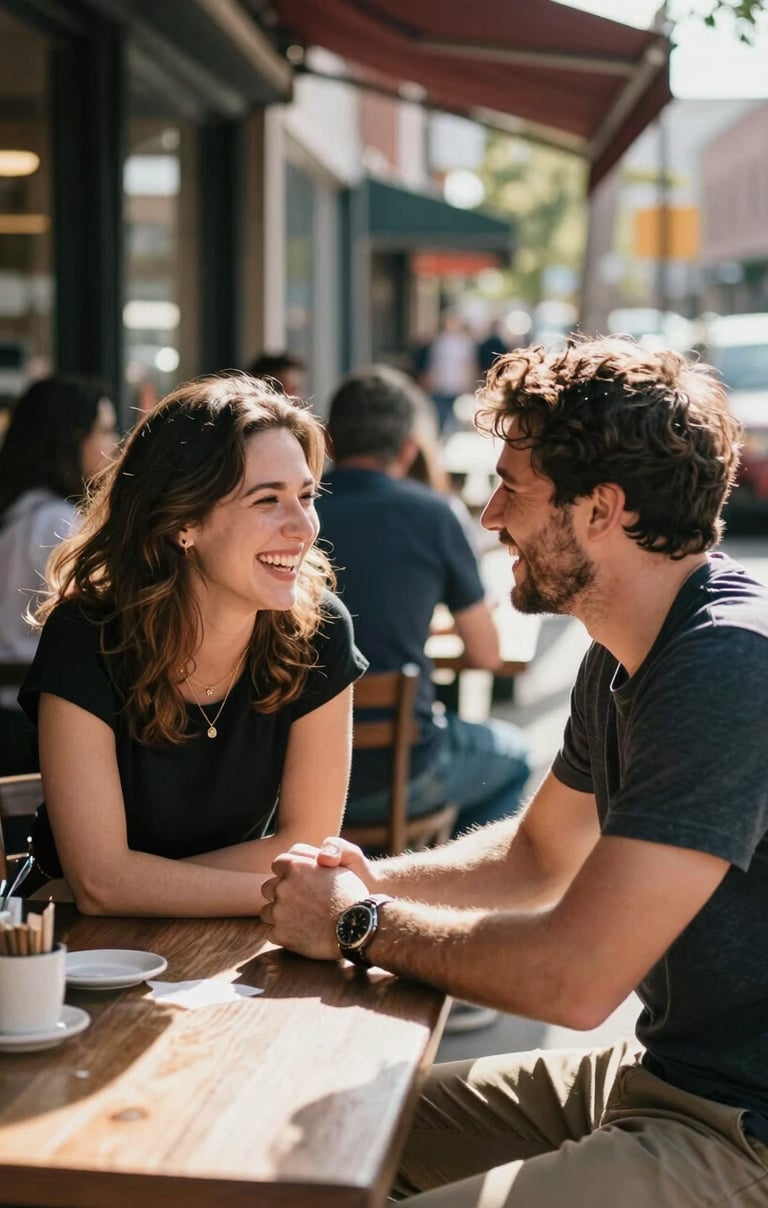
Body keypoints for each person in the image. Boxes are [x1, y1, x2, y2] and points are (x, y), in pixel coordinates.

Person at [262, 337, 768, 1206]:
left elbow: (574, 978)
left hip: (741, 1134)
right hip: (655, 1078)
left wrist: (358, 924)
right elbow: (534, 859)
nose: (490, 516)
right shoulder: (619, 654)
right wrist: (356, 879)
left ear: (601, 509)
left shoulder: (725, 665)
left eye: (513, 489)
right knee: (295, 1149)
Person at [19, 373, 367, 917]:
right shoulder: (86, 634)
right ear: (184, 521)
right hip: (73, 948)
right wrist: (294, 892)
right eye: (267, 500)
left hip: (229, 941)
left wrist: (141, 883)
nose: (303, 527)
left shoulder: (318, 630)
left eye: (305, 496)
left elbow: (304, 847)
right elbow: (99, 884)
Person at [0, 374, 118, 776]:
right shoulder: (59, 524)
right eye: (103, 429)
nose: (114, 444)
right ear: (70, 438)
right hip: (34, 719)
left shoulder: (16, 511)